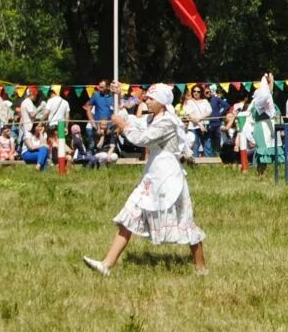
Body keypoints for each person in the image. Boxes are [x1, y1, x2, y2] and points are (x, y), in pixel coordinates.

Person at [82, 84, 207, 275]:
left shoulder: (168, 122)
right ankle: (107, 264)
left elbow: (142, 138)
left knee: (185, 222)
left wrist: (123, 126)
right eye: (146, 97)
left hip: (169, 177)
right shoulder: (150, 118)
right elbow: (134, 120)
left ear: (162, 102)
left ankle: (201, 268)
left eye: (151, 98)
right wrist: (119, 99)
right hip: (152, 176)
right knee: (129, 214)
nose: (147, 101)